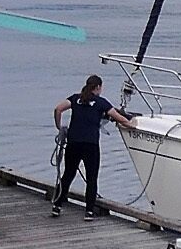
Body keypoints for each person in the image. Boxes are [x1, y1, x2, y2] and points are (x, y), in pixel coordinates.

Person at [50, 74, 136, 218]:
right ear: (98, 87)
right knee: (92, 178)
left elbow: (58, 109)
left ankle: (57, 206)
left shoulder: (75, 98)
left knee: (68, 174)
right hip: (90, 145)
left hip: (74, 143)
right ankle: (89, 211)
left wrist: (60, 127)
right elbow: (118, 117)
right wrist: (131, 124)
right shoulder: (101, 102)